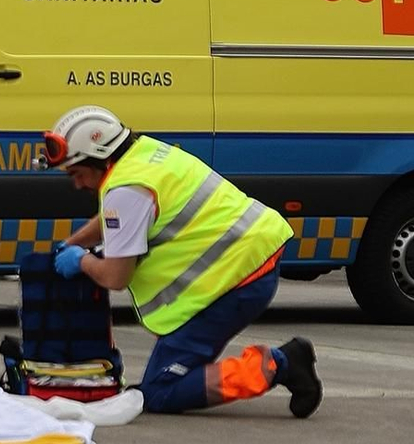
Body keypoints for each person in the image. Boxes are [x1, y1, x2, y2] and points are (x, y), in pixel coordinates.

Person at [43, 104, 322, 418]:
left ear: (99, 156)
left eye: (77, 173)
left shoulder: (127, 190)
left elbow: (115, 276)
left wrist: (81, 262)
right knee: (157, 386)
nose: (77, 185)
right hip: (248, 262)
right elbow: (117, 218)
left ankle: (280, 364)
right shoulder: (145, 156)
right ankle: (272, 364)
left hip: (237, 280)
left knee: (160, 393)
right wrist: (73, 243)